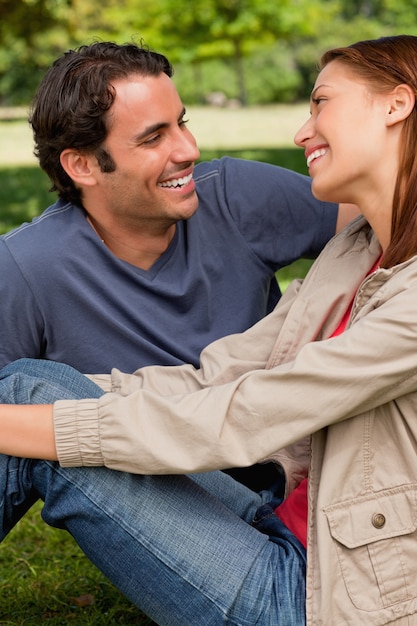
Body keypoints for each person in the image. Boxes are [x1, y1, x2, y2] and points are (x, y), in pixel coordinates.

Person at [1, 34, 417, 624]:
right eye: (154, 136)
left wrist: (48, 428)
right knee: (27, 390)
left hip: (318, 596)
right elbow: (217, 376)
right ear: (82, 164)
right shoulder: (354, 251)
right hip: (288, 521)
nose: (302, 131)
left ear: (397, 105)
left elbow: (246, 413)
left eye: (321, 102)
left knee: (35, 419)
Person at [0, 40, 357, 491]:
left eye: (181, 123)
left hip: (278, 472)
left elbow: (385, 225)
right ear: (82, 165)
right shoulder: (26, 268)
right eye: (153, 137)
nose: (188, 149)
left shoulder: (234, 196)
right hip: (158, 492)